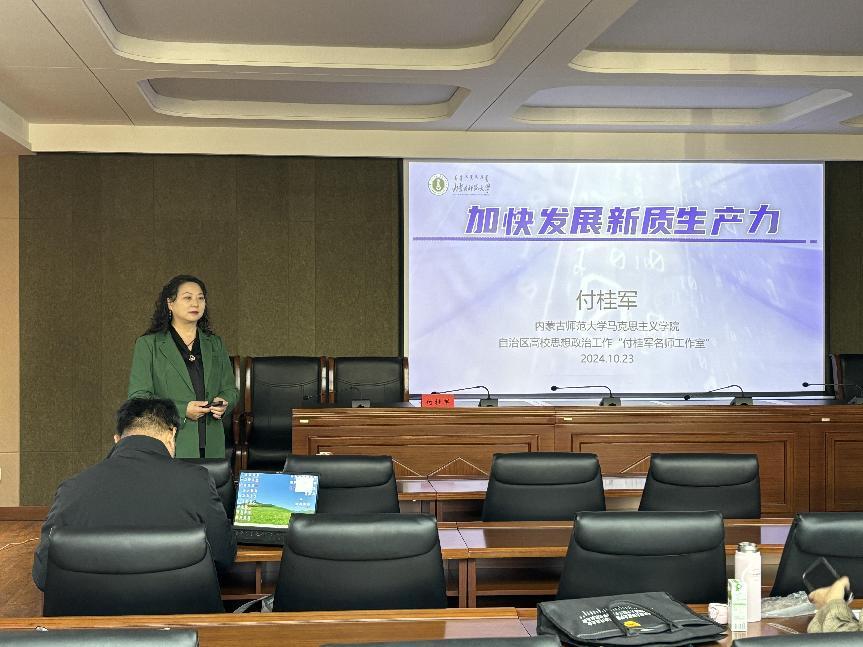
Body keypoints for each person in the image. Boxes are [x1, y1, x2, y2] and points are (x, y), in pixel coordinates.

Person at [32, 397, 237, 591]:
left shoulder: (71, 488)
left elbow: (44, 574)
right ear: (171, 434)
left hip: (94, 614)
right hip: (180, 612)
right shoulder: (197, 480)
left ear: (117, 440)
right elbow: (223, 556)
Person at [128, 274, 239, 458]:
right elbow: (138, 398)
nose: (195, 303)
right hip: (169, 442)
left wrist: (224, 403)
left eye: (200, 298)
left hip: (212, 443)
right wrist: (182, 410)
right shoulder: (148, 345)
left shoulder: (215, 343)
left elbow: (230, 390)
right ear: (170, 303)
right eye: (188, 298)